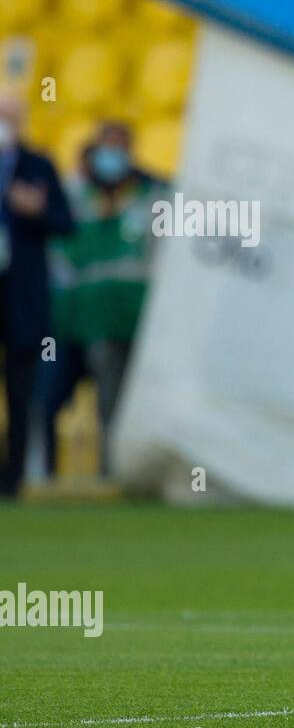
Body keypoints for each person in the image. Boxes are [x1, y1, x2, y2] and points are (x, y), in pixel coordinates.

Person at [42, 121, 162, 477]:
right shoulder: (77, 199)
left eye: (119, 149)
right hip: (78, 321)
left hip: (129, 320)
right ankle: (42, 475)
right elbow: (61, 258)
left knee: (115, 405)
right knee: (50, 402)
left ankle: (115, 475)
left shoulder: (152, 197)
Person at [0, 93, 74, 497]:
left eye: (9, 117)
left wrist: (36, 211)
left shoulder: (38, 166)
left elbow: (66, 222)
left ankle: (13, 479)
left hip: (21, 299)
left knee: (19, 388)